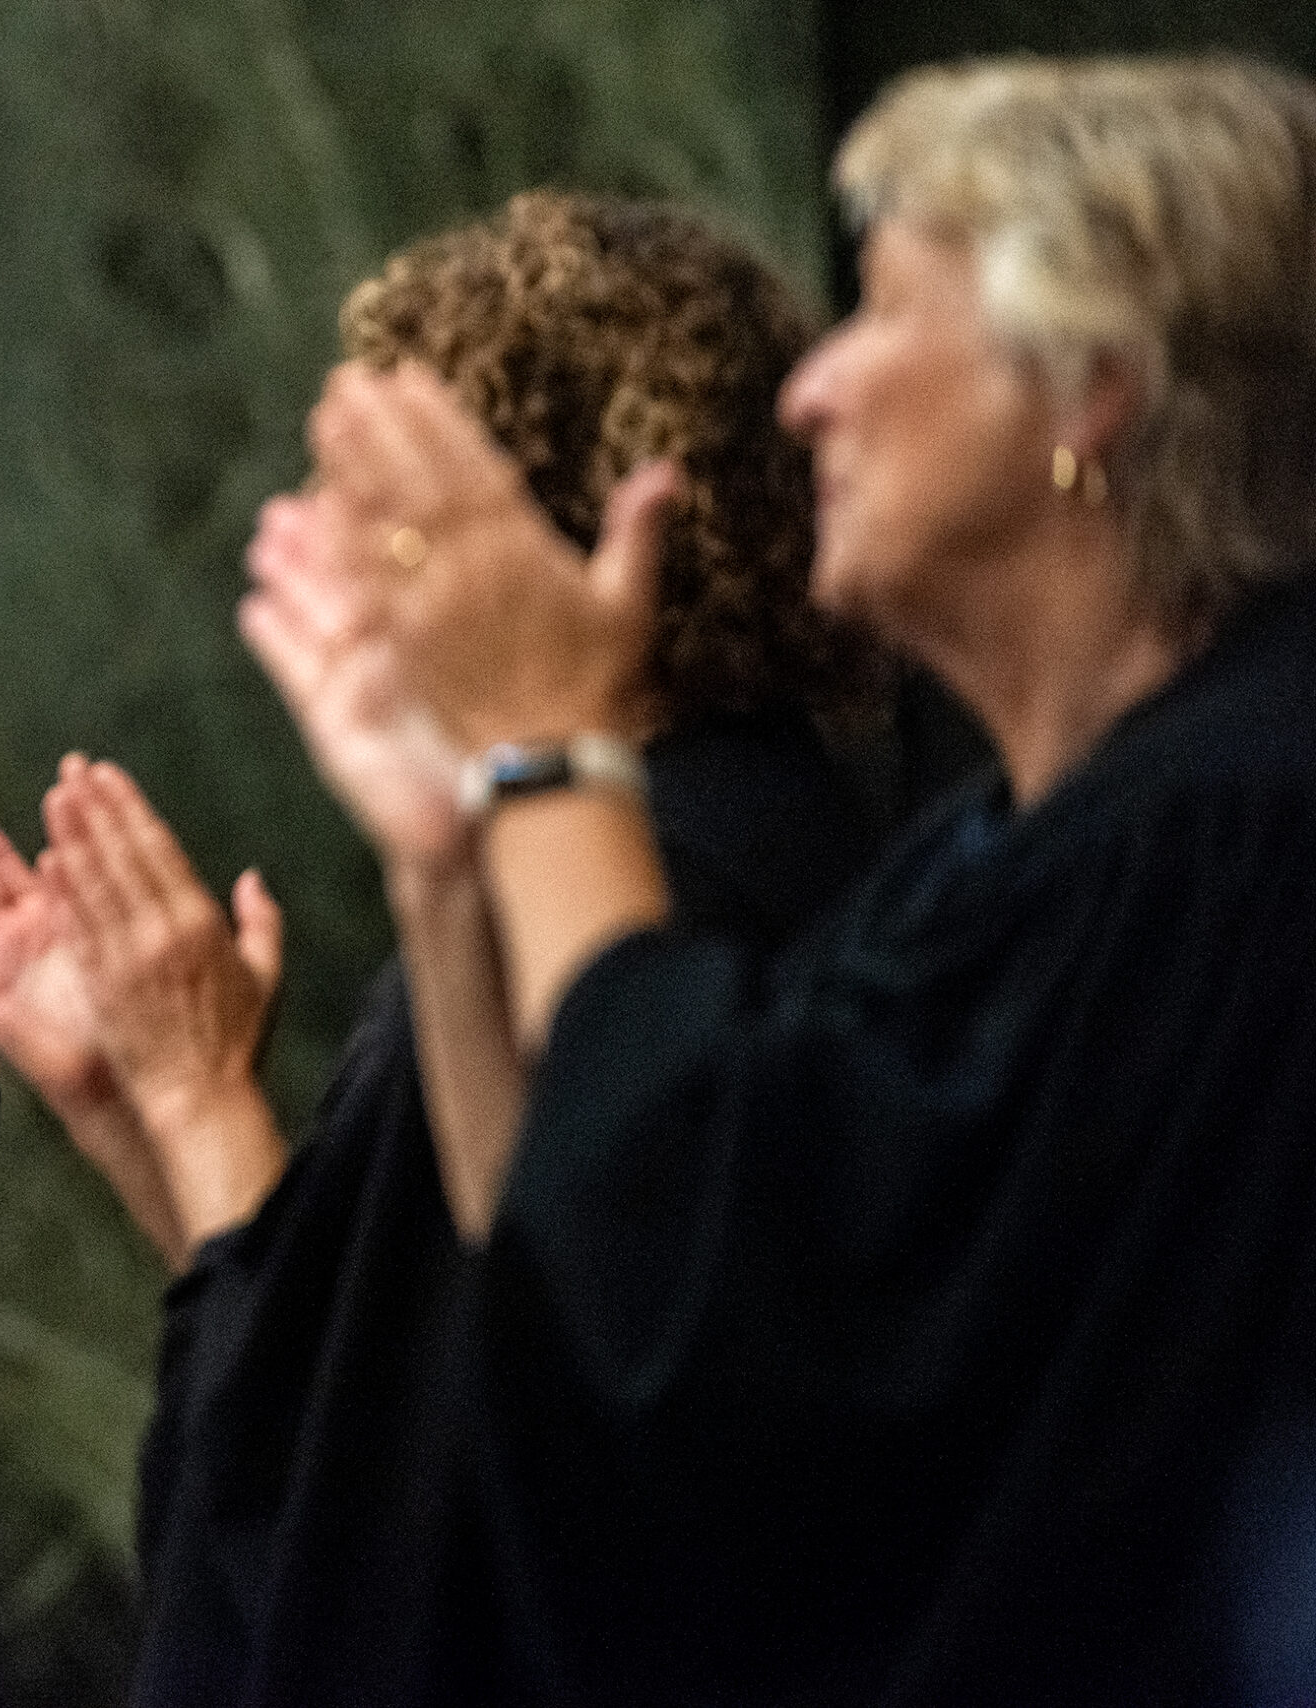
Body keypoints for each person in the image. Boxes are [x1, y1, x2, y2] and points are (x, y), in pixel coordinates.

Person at [241, 56, 1316, 1700]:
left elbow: (734, 1318)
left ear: (1092, 384)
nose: (812, 390)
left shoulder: (1228, 828)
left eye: (885, 309)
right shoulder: (994, 855)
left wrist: (550, 754)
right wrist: (450, 864)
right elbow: (578, 1283)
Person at [0, 192, 879, 1702]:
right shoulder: (731, 818)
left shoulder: (638, 884)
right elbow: (365, 1366)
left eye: (382, 499)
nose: (319, 549)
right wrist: (138, 1098)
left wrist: (202, 1101)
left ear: (538, 524)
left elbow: (393, 1526)